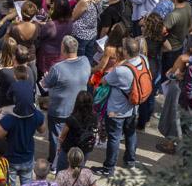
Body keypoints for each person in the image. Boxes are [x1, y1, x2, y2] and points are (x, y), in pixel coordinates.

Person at [96, 37, 143, 176]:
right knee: (131, 133)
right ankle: (130, 160)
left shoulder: (121, 71)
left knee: (114, 138)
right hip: (134, 107)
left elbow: (104, 81)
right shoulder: (142, 60)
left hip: (116, 111)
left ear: (127, 52)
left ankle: (109, 168)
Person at [42, 35, 90, 167]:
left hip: (59, 111)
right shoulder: (86, 61)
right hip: (78, 110)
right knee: (73, 136)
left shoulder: (57, 68)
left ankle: (54, 163)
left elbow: (45, 84)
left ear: (63, 49)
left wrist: (46, 79)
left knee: (57, 138)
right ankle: (71, 161)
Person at [0, 92, 45, 186]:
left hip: (11, 159)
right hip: (27, 158)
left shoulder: (9, 118)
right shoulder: (36, 115)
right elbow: (42, 130)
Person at [58, 91, 98, 172]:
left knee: (61, 172)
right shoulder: (95, 117)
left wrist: (59, 147)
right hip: (84, 150)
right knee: (78, 171)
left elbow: (62, 136)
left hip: (68, 150)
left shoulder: (71, 119)